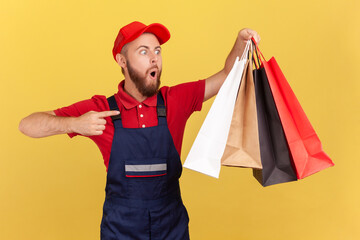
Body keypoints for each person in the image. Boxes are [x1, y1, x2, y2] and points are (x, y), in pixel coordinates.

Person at [19, 21, 260, 240]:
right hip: (120, 231)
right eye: (143, 52)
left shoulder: (176, 100)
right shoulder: (102, 109)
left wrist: (240, 42)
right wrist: (74, 123)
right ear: (121, 61)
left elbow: (229, 76)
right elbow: (27, 125)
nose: (154, 58)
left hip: (171, 229)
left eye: (157, 51)